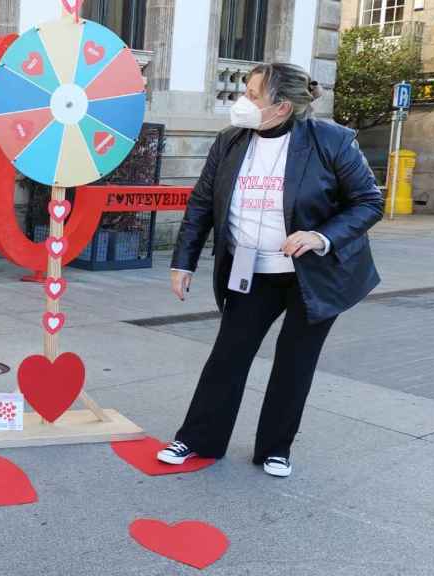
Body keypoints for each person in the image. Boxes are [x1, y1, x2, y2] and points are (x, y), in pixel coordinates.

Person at [158, 63, 383, 477]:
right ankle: (198, 439)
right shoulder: (230, 141)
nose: (241, 101)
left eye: (253, 95)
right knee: (228, 355)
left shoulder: (331, 141)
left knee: (295, 361)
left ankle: (275, 449)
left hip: (314, 274)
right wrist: (182, 262)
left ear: (282, 107)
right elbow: (202, 203)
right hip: (251, 268)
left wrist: (320, 236)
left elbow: (369, 201)